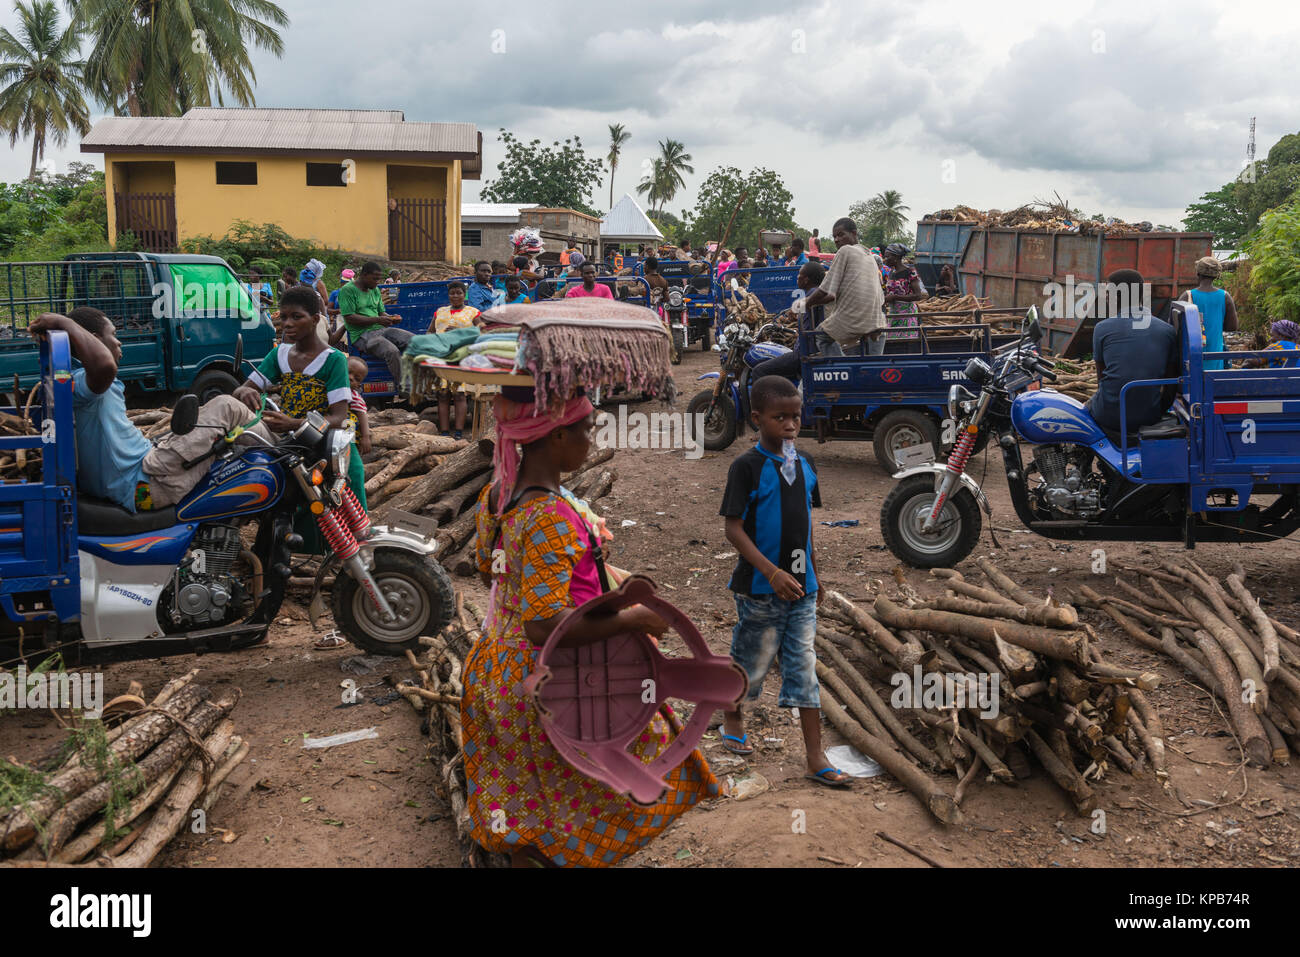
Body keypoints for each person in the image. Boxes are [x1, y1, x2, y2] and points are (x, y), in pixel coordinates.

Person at [462, 386, 719, 866]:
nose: (590, 438)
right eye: (584, 429)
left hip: (493, 668)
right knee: (623, 776)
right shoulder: (550, 517)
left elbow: (492, 572)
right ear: (557, 436)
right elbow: (542, 625)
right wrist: (633, 618)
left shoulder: (497, 493)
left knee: (532, 811)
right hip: (547, 683)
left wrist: (602, 590)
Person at [717, 375, 847, 788]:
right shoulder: (746, 467)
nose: (790, 425)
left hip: (802, 590)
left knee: (804, 666)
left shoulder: (805, 464)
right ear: (757, 418)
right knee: (752, 661)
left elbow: (805, 524)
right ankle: (733, 715)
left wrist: (814, 573)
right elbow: (733, 529)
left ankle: (814, 756)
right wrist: (771, 572)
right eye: (780, 417)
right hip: (759, 589)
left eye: (795, 416)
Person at [29, 308, 274, 514]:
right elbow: (104, 365)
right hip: (144, 483)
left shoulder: (70, 384)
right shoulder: (85, 383)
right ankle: (282, 458)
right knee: (227, 406)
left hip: (136, 475)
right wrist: (63, 322)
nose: (119, 341)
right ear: (94, 340)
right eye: (113, 335)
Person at [1087, 269, 1180, 435]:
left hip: (1110, 416)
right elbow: (1171, 383)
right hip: (1150, 415)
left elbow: (1101, 381)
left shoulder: (1102, 329)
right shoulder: (1167, 331)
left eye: (1108, 294)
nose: (1106, 298)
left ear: (1117, 296)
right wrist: (1158, 411)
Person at [802, 217, 886, 356]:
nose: (836, 240)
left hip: (855, 320)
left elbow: (824, 290)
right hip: (877, 322)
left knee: (821, 336)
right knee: (874, 366)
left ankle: (843, 369)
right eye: (834, 236)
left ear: (854, 233)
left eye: (841, 235)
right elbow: (831, 296)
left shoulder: (845, 251)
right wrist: (813, 302)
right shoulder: (869, 256)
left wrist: (805, 303)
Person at [339, 261, 412, 395]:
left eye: (379, 279)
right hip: (362, 335)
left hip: (380, 329)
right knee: (391, 351)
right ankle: (405, 389)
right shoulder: (347, 290)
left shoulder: (375, 290)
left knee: (413, 340)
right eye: (375, 279)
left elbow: (381, 312)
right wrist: (378, 319)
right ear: (364, 275)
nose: (378, 282)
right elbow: (349, 317)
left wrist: (390, 318)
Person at [750, 261, 827, 383]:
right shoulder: (812, 295)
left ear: (806, 279)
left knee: (759, 371)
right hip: (807, 347)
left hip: (804, 352)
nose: (797, 278)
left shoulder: (813, 293)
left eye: (799, 275)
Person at [1180, 256, 1238, 371]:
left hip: (1191, 357)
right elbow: (1232, 327)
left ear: (1198, 273)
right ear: (1217, 276)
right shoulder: (1225, 296)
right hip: (1215, 358)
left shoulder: (1187, 296)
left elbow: (1174, 326)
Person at [882, 243, 925, 342]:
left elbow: (918, 296)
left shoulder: (910, 272)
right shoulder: (891, 273)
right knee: (892, 342)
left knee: (906, 343)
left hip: (907, 313)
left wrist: (895, 297)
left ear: (896, 257)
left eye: (887, 256)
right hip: (894, 313)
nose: (885, 259)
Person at [347, 356, 372, 456]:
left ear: (358, 385)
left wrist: (366, 437)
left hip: (348, 433)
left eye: (357, 379)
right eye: (348, 372)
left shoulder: (353, 397)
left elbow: (362, 415)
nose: (350, 377)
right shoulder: (330, 385)